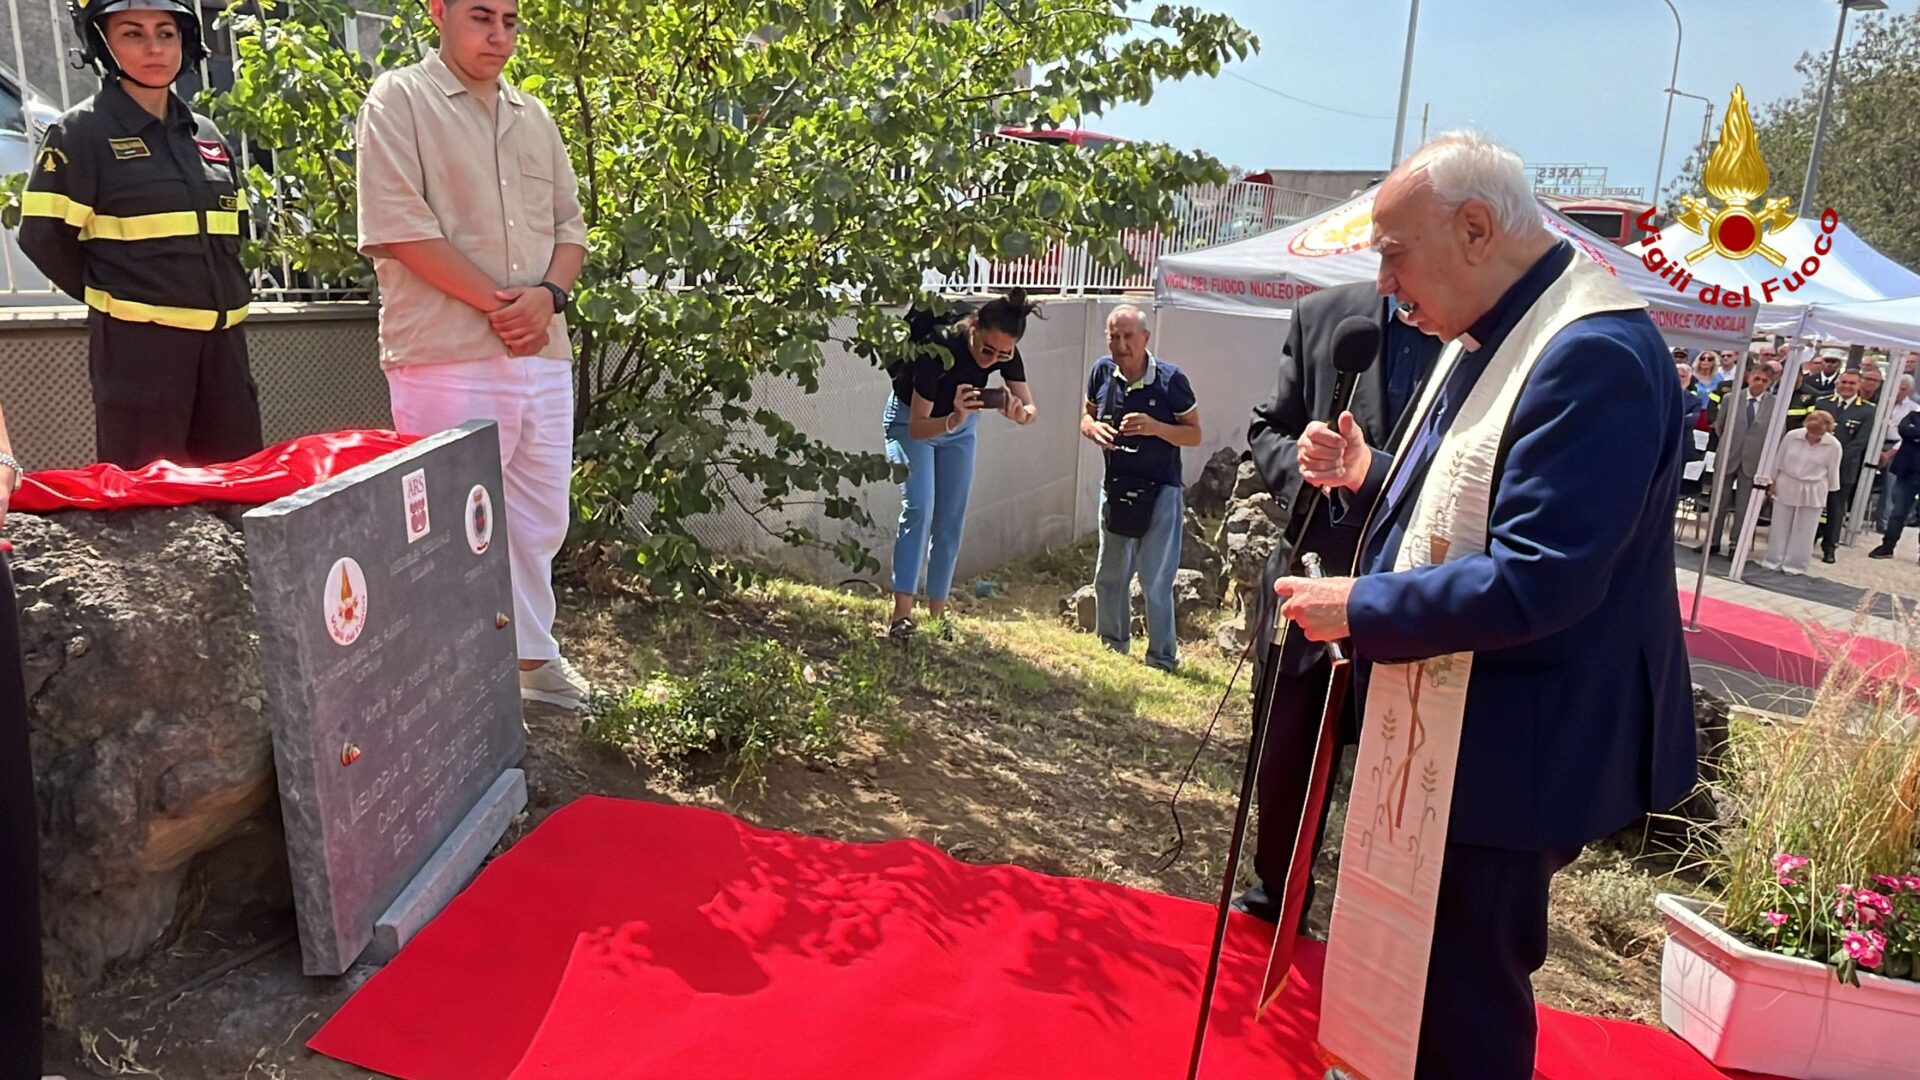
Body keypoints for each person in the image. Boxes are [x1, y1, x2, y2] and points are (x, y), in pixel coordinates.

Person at [1276, 133, 1694, 1078]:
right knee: (1423, 970)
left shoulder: (1592, 353)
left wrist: (1362, 605)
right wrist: (1373, 472)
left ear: (1475, 229)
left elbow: (1543, 571)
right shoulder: (1503, 327)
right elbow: (1482, 495)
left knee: (1461, 988)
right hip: (1473, 723)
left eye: (1392, 251)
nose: (1382, 281)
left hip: (1517, 741)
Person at [356, 0, 591, 708]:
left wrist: (547, 296)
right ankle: (450, 684)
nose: (499, 35)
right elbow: (400, 228)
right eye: (481, 17)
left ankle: (531, 661)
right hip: (446, 351)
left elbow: (570, 226)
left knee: (539, 515)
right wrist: (504, 305)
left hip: (541, 350)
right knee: (449, 526)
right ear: (439, 12)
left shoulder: (534, 116)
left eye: (511, 21)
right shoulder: (400, 99)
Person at [1238, 279, 1441, 928]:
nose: (1391, 270)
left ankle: (1379, 930)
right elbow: (1268, 425)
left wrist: (1367, 468)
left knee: (1404, 778)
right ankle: (1278, 896)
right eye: (1385, 248)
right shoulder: (1326, 316)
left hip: (1417, 598)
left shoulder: (1480, 334)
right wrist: (1302, 464)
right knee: (1287, 753)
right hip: (1313, 570)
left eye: (1405, 249)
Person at [17, 0, 261, 470]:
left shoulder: (205, 134)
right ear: (102, 44)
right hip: (141, 356)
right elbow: (44, 238)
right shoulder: (80, 133)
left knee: (238, 494)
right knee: (147, 510)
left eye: (166, 33)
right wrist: (119, 297)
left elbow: (234, 232)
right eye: (133, 34)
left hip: (224, 352)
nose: (154, 48)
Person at [882, 291, 1039, 640]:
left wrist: (1018, 414)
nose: (992, 361)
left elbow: (1031, 409)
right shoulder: (940, 351)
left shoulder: (1003, 351)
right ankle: (902, 616)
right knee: (919, 508)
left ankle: (938, 614)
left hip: (960, 428)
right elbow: (919, 427)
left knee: (951, 518)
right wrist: (953, 417)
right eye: (987, 350)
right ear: (974, 327)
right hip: (914, 423)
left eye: (1003, 355)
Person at [1079, 306, 1201, 672]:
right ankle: (1111, 646)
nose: (1121, 344)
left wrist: (1154, 427)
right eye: (1114, 336)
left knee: (1155, 579)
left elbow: (1194, 434)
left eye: (1128, 336)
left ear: (1145, 338)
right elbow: (1085, 415)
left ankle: (1162, 658)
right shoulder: (1102, 371)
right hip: (1116, 487)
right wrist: (1092, 429)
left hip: (1161, 489)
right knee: (1109, 574)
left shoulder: (1170, 380)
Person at [1705, 364, 1782, 557]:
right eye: (1757, 379)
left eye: (1765, 381)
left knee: (1744, 505)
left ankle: (1735, 545)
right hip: (1728, 456)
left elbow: (1777, 435)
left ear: (1770, 383)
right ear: (1749, 378)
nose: (1760, 383)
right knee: (1718, 501)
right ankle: (1712, 542)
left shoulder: (1775, 404)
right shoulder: (1730, 399)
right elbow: (1719, 426)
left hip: (1753, 461)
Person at [1757, 410, 1842, 575]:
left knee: (1806, 528)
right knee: (1779, 524)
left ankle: (1796, 565)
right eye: (1810, 432)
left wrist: (1830, 493)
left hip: (1814, 487)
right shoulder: (1792, 436)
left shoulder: (1834, 445)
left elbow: (1833, 471)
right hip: (1787, 482)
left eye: (1817, 435)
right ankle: (1773, 560)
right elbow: (1778, 459)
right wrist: (1772, 481)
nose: (1812, 436)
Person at [1815, 369, 1876, 564]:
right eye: (1844, 382)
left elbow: (1860, 442)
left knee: (1836, 508)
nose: (1847, 387)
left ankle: (1829, 547)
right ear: (1837, 383)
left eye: (1852, 383)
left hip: (1844, 468)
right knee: (1812, 504)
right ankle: (1807, 539)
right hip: (1816, 465)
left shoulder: (1867, 410)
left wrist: (1834, 460)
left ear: (1859, 386)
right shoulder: (1822, 403)